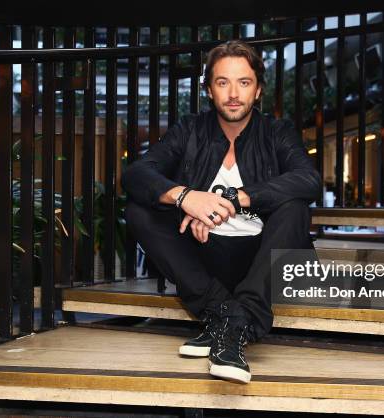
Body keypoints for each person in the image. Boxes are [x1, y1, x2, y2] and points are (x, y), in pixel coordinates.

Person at [122, 40, 321, 384]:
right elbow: (136, 174)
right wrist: (186, 198)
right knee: (139, 210)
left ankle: (231, 320)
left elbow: (309, 179)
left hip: (264, 259)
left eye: (243, 83)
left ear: (258, 90)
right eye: (222, 82)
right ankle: (228, 315)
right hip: (208, 261)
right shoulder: (189, 130)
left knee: (296, 208)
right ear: (209, 90)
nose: (233, 93)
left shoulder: (277, 132)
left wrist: (238, 197)